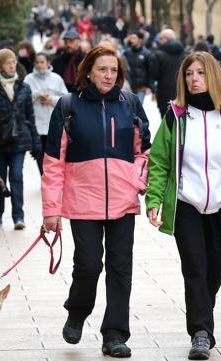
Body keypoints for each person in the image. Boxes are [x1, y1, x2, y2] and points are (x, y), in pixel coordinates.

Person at [145, 52, 221, 360]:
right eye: (188, 74)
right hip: (187, 204)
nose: (193, 79)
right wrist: (154, 199)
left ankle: (201, 312)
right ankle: (201, 333)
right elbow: (158, 161)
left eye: (200, 73)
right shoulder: (176, 116)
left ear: (213, 77)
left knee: (218, 267)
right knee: (195, 268)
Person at [41, 45, 151, 358]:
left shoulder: (129, 104)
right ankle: (77, 311)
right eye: (102, 69)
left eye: (114, 70)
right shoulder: (67, 106)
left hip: (122, 201)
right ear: (88, 71)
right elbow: (52, 161)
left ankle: (115, 334)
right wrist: (51, 210)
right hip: (82, 202)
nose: (108, 75)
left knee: (120, 268)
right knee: (88, 265)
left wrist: (137, 180)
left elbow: (144, 150)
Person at [0, 48, 41, 230]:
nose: (13, 66)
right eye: (8, 63)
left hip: (19, 140)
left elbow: (30, 117)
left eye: (13, 62)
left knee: (17, 176)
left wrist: (36, 143)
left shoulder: (24, 88)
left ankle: (19, 216)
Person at [23, 52, 68, 175]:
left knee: (53, 154)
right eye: (37, 62)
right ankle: (43, 177)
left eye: (42, 62)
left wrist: (51, 99)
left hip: (53, 123)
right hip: (36, 124)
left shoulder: (57, 78)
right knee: (39, 154)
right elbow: (23, 99)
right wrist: (38, 94)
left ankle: (52, 177)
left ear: (48, 63)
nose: (39, 65)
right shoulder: (28, 79)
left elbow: (66, 99)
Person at [152, 29, 185, 117]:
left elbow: (154, 74)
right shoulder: (184, 53)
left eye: (161, 38)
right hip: (182, 92)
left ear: (166, 39)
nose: (159, 40)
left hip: (164, 94)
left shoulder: (158, 54)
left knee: (166, 121)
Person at [123, 31, 154, 104]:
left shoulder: (147, 54)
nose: (131, 40)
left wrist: (150, 86)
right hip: (128, 87)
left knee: (137, 109)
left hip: (141, 88)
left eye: (134, 38)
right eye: (131, 38)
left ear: (140, 40)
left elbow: (150, 71)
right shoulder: (126, 53)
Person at [52, 29, 85, 94]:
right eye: (66, 42)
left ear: (78, 42)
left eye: (71, 41)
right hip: (61, 93)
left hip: (81, 93)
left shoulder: (86, 59)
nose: (68, 45)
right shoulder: (57, 60)